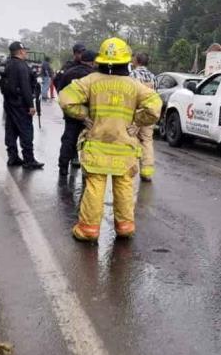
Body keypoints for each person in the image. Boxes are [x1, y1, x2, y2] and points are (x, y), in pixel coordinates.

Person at [59, 37, 162, 241]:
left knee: (95, 185)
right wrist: (137, 120)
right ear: (125, 61)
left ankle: (88, 229)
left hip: (97, 144)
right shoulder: (134, 85)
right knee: (123, 185)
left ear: (101, 60)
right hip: (124, 147)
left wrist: (84, 116)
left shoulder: (90, 81)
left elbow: (65, 99)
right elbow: (155, 105)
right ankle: (125, 227)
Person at [2, 41, 44, 169]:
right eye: (24, 50)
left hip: (9, 102)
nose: (26, 52)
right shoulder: (22, 66)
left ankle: (12, 157)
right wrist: (31, 105)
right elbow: (25, 87)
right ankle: (29, 160)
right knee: (26, 130)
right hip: (21, 103)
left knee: (11, 130)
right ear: (20, 51)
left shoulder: (8, 64)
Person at [57, 49, 96, 176]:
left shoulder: (68, 72)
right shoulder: (93, 76)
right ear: (93, 62)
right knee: (88, 141)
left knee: (68, 138)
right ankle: (88, 170)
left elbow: (60, 91)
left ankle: (63, 167)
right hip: (88, 115)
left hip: (71, 111)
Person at [129, 52, 156, 182]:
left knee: (132, 139)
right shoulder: (153, 77)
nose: (132, 60)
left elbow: (130, 94)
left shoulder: (133, 75)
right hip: (149, 113)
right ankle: (146, 172)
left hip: (135, 113)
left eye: (133, 58)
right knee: (147, 141)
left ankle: (131, 170)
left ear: (137, 60)